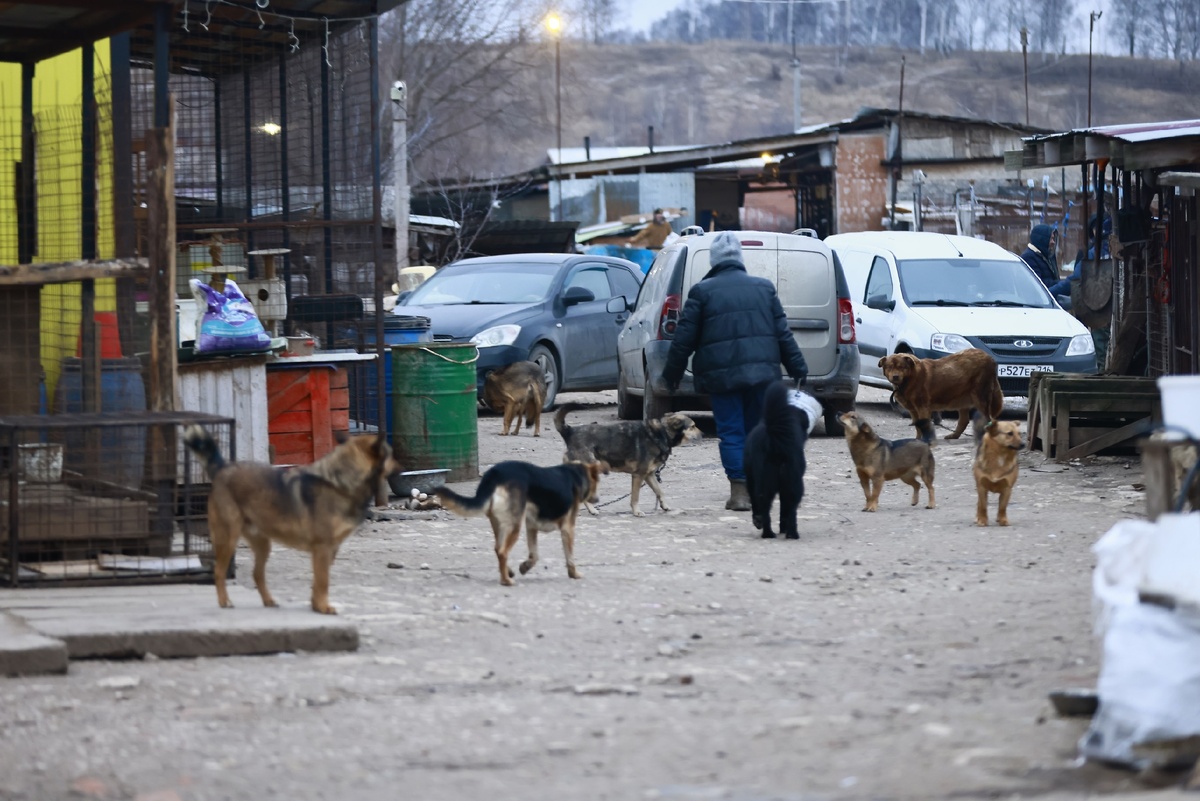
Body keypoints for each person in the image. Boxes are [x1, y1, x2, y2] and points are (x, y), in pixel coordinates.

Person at [660, 231, 808, 511]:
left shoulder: (702, 291)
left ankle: (740, 493)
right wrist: (798, 367)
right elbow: (782, 333)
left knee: (731, 431)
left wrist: (671, 374)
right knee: (757, 429)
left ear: (714, 262)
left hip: (722, 377)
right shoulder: (764, 288)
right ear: (739, 259)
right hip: (763, 376)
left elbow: (683, 339)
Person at [1020, 223, 1072, 308]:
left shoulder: (1047, 255)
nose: (1053, 242)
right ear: (1042, 239)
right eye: (1051, 238)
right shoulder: (1029, 257)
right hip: (1037, 305)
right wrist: (1063, 284)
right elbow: (1038, 285)